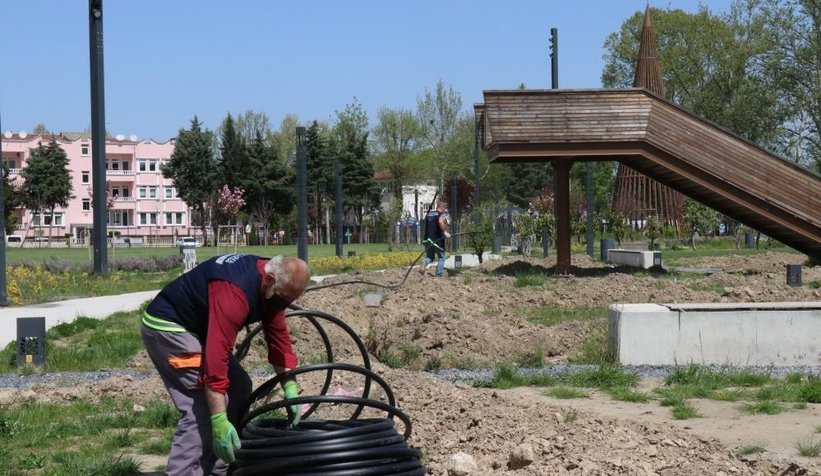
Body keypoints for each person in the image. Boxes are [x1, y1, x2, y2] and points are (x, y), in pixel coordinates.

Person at [141, 253, 311, 475]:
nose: (285, 304)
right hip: (169, 328)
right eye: (283, 298)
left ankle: (217, 468)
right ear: (269, 280)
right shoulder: (233, 293)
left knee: (239, 387)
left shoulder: (272, 284)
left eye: (291, 300)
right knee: (201, 407)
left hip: (201, 328)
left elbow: (278, 340)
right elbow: (216, 360)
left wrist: (290, 387)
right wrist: (219, 419)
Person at [420, 200, 451, 277]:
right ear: (442, 207)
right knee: (441, 257)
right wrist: (445, 232)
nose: (445, 209)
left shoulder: (429, 214)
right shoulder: (441, 214)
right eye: (444, 207)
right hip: (437, 240)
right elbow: (440, 222)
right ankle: (438, 275)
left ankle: (424, 262)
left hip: (427, 239)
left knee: (430, 257)